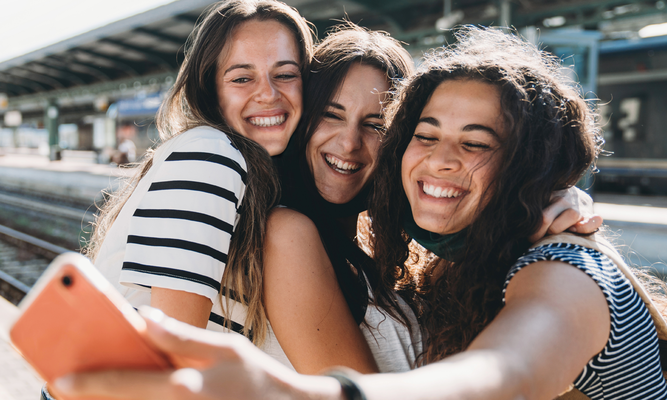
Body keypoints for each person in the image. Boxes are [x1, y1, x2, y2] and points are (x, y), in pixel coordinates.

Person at [57, 27, 666, 400]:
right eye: (427, 136)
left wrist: (543, 207)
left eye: (377, 124)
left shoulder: (547, 259)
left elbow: (509, 372)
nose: (350, 145)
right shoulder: (292, 235)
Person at [86, 0, 313, 358]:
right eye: (241, 78)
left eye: (285, 74)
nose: (268, 93)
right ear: (210, 90)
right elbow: (175, 358)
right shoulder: (212, 156)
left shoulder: (221, 160)